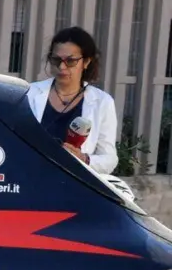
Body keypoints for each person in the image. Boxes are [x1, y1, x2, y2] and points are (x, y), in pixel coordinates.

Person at [25, 26, 118, 175]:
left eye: (70, 61)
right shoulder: (29, 93)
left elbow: (109, 159)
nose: (62, 67)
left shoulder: (102, 102)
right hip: (30, 178)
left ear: (86, 62)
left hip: (74, 185)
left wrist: (84, 159)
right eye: (56, 60)